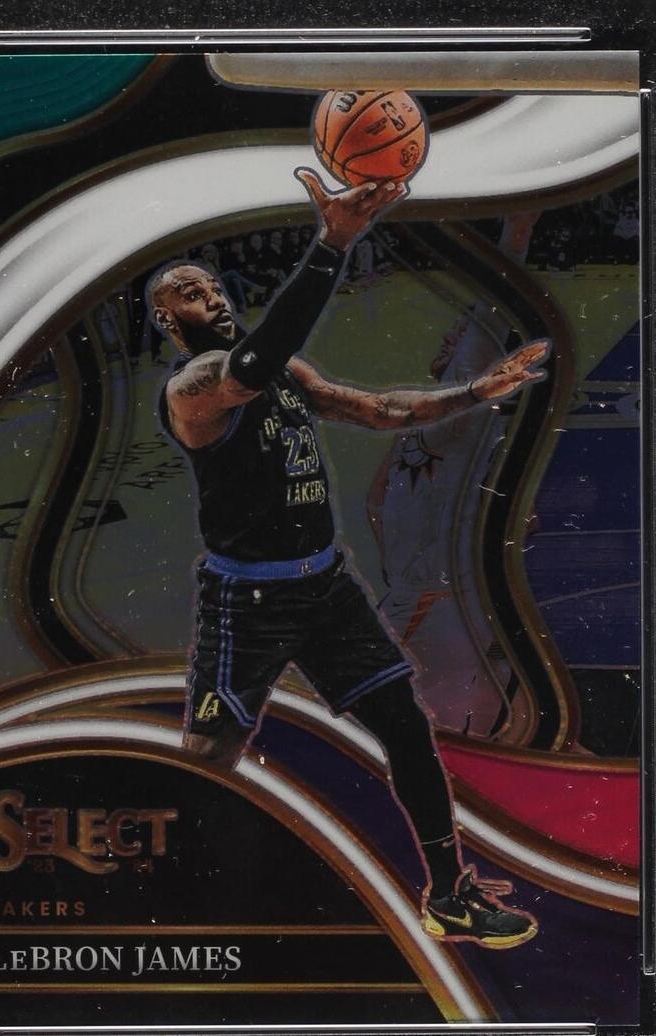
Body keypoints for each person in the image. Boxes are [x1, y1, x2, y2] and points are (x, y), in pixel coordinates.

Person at [149, 168, 546, 949]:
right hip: (247, 601)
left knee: (405, 725)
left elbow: (379, 408)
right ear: (170, 320)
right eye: (192, 294)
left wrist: (471, 393)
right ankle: (165, 895)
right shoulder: (194, 388)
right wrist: (332, 242)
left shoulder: (286, 374)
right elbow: (252, 364)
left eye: (214, 286)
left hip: (326, 588)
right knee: (206, 755)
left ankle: (448, 895)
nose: (212, 297)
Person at [367, 213, 539, 736]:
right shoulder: (436, 423)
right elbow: (377, 501)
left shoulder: (462, 416)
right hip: (431, 604)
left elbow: (491, 313)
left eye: (463, 334)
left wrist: (516, 232)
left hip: (436, 612)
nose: (452, 336)